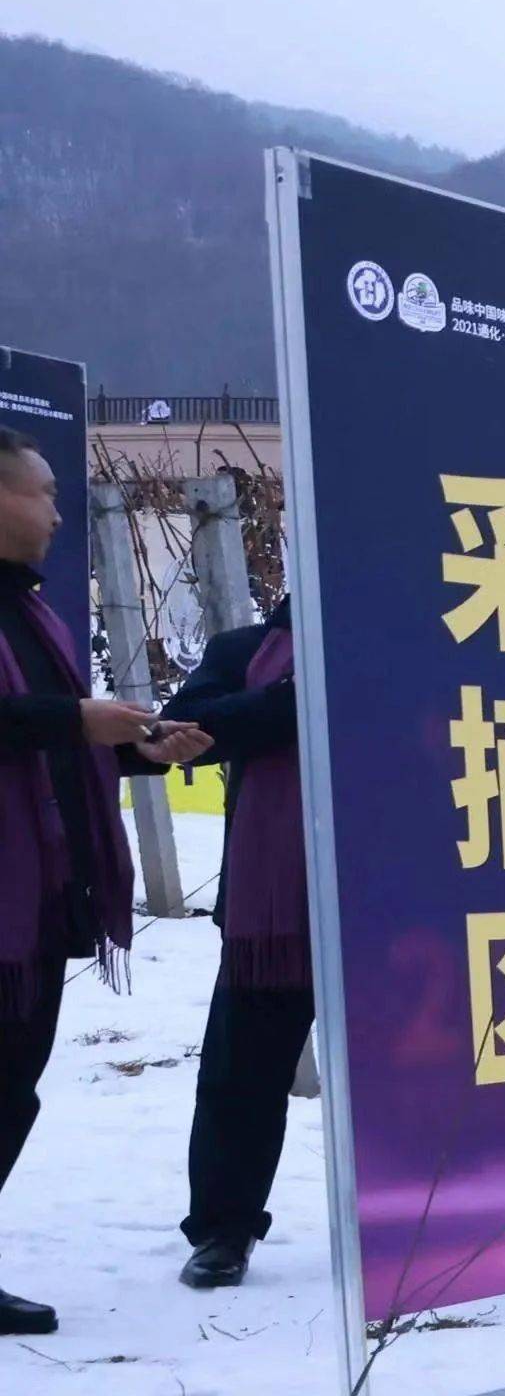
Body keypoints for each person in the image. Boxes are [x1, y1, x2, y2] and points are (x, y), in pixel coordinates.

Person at [0, 431, 154, 1335]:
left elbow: (46, 743)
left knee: (14, 1088)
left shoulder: (34, 609)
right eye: (44, 492)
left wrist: (134, 746)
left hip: (39, 901)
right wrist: (74, 718)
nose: (59, 511)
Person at [153, 587, 307, 1287]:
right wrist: (288, 703)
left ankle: (448, 1215)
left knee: (423, 1068)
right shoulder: (246, 651)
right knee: (240, 1077)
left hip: (391, 900)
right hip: (271, 907)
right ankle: (223, 1229)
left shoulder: (416, 640)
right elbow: (181, 726)